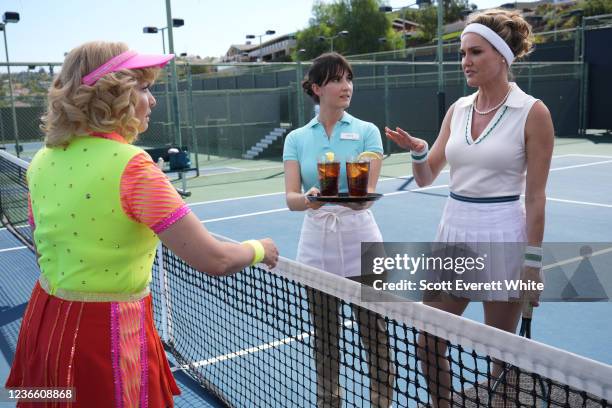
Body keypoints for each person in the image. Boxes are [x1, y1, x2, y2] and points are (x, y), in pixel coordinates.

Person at [5, 41, 278, 407]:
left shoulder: (41, 160)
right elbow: (214, 259)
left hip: (45, 323)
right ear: (113, 93)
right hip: (108, 334)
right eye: (145, 88)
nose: (153, 100)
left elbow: (43, 246)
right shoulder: (133, 167)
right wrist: (260, 249)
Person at [386, 9, 554, 408]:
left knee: (502, 356)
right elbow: (427, 177)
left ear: (501, 56)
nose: (465, 61)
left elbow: (536, 197)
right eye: (463, 52)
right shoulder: (458, 110)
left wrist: (532, 262)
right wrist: (419, 151)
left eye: (475, 52)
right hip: (454, 233)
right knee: (429, 341)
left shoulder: (534, 113)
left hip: (503, 235)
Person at [283, 52, 395, 407]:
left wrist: (358, 200)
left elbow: (367, 195)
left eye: (349, 79)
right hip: (317, 240)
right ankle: (328, 401)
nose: (346, 86)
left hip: (362, 236)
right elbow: (290, 198)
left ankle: (382, 402)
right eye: (336, 79)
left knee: (376, 333)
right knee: (325, 336)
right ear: (317, 88)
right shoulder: (297, 139)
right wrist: (309, 199)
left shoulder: (367, 131)